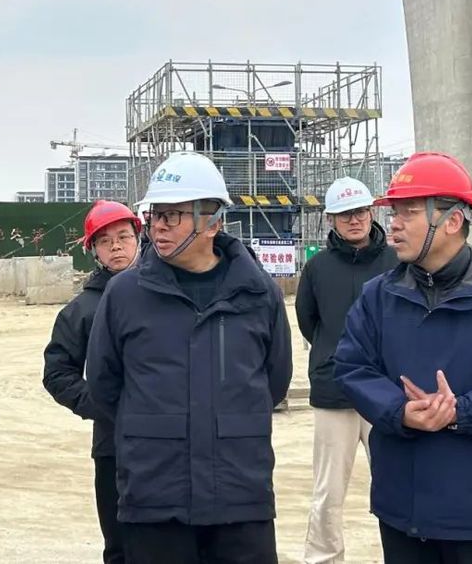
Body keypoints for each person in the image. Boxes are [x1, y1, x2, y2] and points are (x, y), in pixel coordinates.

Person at [333, 152, 472, 564]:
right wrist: (399, 411)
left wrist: (460, 411)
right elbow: (352, 368)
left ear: (452, 221)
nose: (393, 224)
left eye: (408, 212)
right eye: (394, 212)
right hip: (403, 509)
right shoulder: (377, 298)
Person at [86, 151, 292, 564]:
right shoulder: (125, 295)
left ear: (212, 222)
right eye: (154, 215)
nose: (158, 226)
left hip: (239, 495)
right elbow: (105, 386)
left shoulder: (257, 292)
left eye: (172, 215)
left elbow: (274, 380)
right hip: (155, 496)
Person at [297, 177, 398, 564]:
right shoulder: (317, 268)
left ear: (371, 213)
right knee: (328, 491)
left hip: (386, 392)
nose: (353, 220)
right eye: (344, 214)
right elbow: (308, 321)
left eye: (359, 212)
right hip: (333, 390)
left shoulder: (396, 262)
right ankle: (323, 557)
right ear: (330, 220)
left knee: (395, 484)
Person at [44, 200, 142, 564]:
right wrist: (101, 404)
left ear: (139, 239)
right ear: (93, 251)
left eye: (123, 237)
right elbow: (57, 372)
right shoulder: (83, 310)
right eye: (104, 241)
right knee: (120, 545)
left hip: (173, 444)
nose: (116, 246)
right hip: (113, 446)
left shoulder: (167, 292)